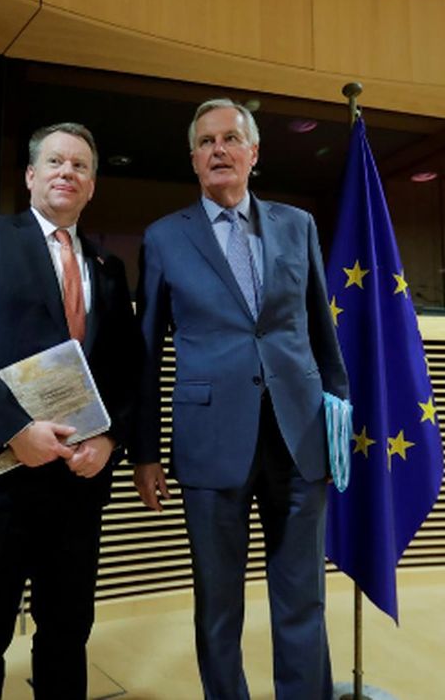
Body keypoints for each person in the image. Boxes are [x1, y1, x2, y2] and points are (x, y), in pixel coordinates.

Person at [132, 98, 349, 700]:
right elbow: (145, 354)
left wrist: (339, 417)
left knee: (303, 596)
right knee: (218, 603)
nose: (219, 150)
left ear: (254, 153)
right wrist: (144, 452)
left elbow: (319, 333)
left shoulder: (297, 225)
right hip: (210, 443)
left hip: (300, 437)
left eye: (231, 139)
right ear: (194, 160)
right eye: (206, 142)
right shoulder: (163, 238)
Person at [0, 122, 140, 700]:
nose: (66, 172)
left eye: (79, 165)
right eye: (54, 162)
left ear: (92, 185)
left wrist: (111, 439)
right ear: (30, 176)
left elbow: (125, 369)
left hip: (78, 482)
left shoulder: (109, 268)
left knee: (68, 631)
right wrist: (15, 431)